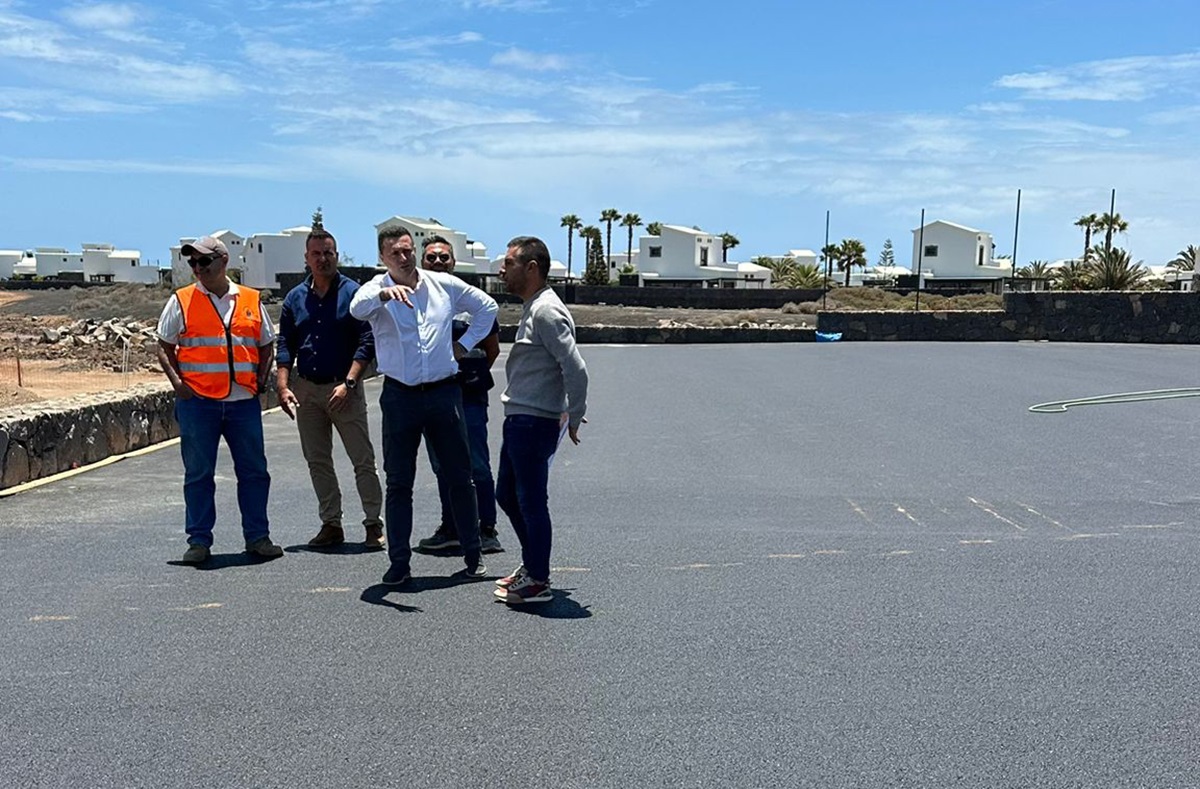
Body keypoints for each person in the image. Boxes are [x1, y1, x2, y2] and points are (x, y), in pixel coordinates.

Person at [349, 227, 499, 585]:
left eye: (407, 250)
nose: (403, 258)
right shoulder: (375, 288)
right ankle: (399, 562)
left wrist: (464, 345)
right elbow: (356, 310)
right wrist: (385, 294)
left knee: (460, 477)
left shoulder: (441, 284)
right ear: (383, 258)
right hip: (400, 396)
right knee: (399, 482)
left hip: (443, 393)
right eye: (394, 253)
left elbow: (487, 307)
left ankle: (473, 554)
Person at [157, 235, 282, 565]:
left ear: (223, 261)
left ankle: (258, 537)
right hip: (198, 401)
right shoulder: (181, 300)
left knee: (254, 472)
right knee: (198, 474)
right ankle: (198, 541)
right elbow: (164, 345)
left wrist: (261, 379)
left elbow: (266, 343)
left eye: (203, 261)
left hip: (243, 401)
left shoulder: (251, 300)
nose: (197, 268)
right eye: (192, 263)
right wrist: (178, 384)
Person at [492, 236, 588, 604]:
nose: (502, 269)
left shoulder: (547, 311)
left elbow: (576, 368)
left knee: (531, 501)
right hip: (520, 416)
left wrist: (574, 414)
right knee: (507, 495)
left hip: (534, 421)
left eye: (509, 262)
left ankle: (538, 580)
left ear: (532, 268)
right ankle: (532, 565)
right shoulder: (535, 307)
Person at [276, 228, 384, 550]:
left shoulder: (355, 294)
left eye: (329, 253)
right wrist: (283, 385)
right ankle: (331, 524)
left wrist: (350, 382)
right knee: (318, 461)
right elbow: (285, 343)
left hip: (344, 389)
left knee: (362, 460)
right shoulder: (295, 298)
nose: (323, 259)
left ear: (337, 256)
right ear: (306, 259)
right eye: (316, 254)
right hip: (307, 390)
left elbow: (368, 340)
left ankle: (373, 524)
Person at [414, 235, 504, 555]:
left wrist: (467, 370)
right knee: (442, 465)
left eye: (443, 258)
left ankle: (486, 529)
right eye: (431, 258)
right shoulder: (417, 303)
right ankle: (451, 526)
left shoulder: (473, 302)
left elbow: (491, 349)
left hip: (469, 397)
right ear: (421, 263)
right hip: (433, 396)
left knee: (476, 463)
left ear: (453, 263)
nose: (437, 262)